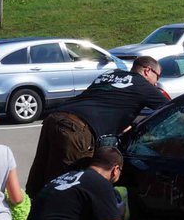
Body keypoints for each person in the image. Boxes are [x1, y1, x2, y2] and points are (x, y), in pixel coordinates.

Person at [25, 56, 169, 195]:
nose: (156, 83)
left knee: (41, 175)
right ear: (147, 70)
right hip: (76, 128)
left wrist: (126, 121)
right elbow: (171, 109)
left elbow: (106, 100)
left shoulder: (110, 74)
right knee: (71, 184)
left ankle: (31, 211)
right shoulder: (143, 85)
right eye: (158, 77)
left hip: (55, 118)